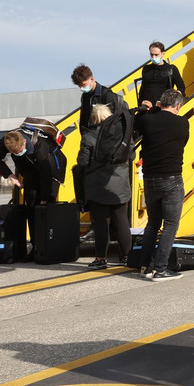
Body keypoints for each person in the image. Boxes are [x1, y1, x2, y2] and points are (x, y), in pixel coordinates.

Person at [133, 89, 190, 281]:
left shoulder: (147, 121)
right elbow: (183, 143)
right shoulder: (182, 123)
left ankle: (145, 266)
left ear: (161, 103)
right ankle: (161, 268)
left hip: (150, 179)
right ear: (178, 106)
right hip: (171, 179)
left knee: (153, 223)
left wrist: (152, 109)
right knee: (171, 224)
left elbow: (138, 123)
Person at [76, 104, 133, 269]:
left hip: (98, 187)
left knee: (101, 223)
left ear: (94, 118)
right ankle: (127, 257)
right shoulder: (122, 133)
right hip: (120, 185)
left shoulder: (89, 136)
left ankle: (101, 259)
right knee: (122, 221)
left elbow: (82, 162)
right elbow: (132, 154)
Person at [0, 130, 60, 260]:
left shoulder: (39, 144)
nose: (18, 153)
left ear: (24, 142)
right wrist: (10, 175)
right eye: (15, 153)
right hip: (28, 170)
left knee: (46, 209)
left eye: (20, 150)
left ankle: (51, 246)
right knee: (32, 209)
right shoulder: (6, 141)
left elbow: (45, 175)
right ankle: (36, 248)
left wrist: (44, 201)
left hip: (50, 171)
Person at [71, 64, 128, 132]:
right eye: (79, 86)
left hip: (103, 137)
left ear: (92, 79)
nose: (81, 88)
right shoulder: (84, 97)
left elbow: (113, 121)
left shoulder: (107, 95)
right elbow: (83, 119)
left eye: (83, 85)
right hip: (89, 136)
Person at [138, 42, 186, 111]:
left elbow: (181, 87)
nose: (154, 57)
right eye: (151, 55)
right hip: (148, 108)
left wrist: (173, 101)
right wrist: (140, 105)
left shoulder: (171, 69)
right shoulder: (146, 69)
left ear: (163, 54)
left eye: (156, 55)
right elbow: (143, 89)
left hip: (164, 108)